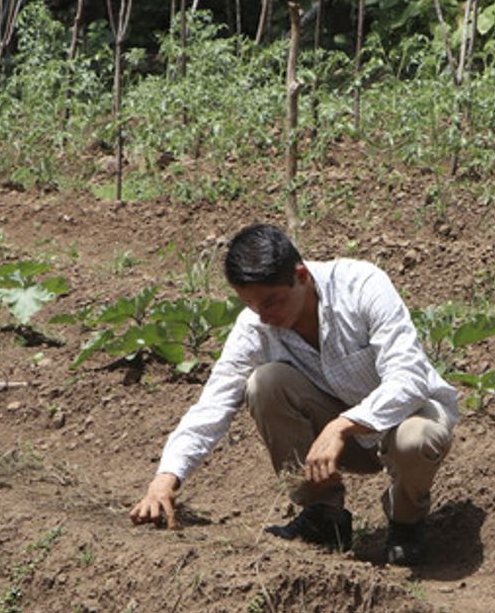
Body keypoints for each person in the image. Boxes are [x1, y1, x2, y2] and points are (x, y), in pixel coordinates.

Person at [129, 223, 458, 566]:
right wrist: (165, 479)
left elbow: (409, 377)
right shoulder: (255, 325)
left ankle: (406, 524)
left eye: (272, 301)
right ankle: (322, 516)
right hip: (335, 443)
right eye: (251, 305)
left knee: (416, 439)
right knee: (265, 383)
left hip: (405, 420)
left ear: (300, 275)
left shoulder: (361, 285)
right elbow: (213, 404)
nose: (264, 316)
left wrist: (342, 426)